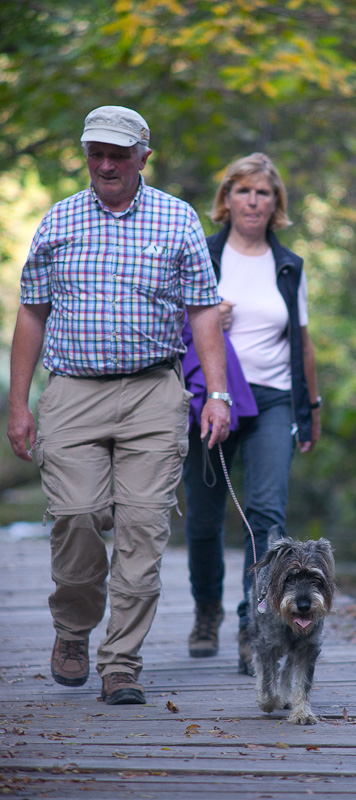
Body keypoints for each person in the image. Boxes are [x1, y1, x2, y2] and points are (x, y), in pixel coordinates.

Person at [7, 105, 231, 705]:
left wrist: (217, 393)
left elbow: (203, 309)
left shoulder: (176, 220)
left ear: (143, 157)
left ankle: (121, 663)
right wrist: (19, 403)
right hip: (73, 391)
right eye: (95, 153)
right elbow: (31, 310)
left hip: (154, 392)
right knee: (76, 517)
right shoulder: (58, 221)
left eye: (118, 154)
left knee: (142, 527)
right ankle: (73, 632)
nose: (106, 164)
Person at [181, 153, 321, 674]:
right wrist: (206, 319)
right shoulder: (204, 255)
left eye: (264, 193)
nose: (254, 201)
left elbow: (302, 343)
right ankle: (206, 611)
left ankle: (251, 625)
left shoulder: (289, 265)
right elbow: (170, 325)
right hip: (215, 399)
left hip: (274, 400)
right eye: (244, 191)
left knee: (267, 517)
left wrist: (311, 407)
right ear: (227, 199)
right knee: (203, 520)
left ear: (276, 204)